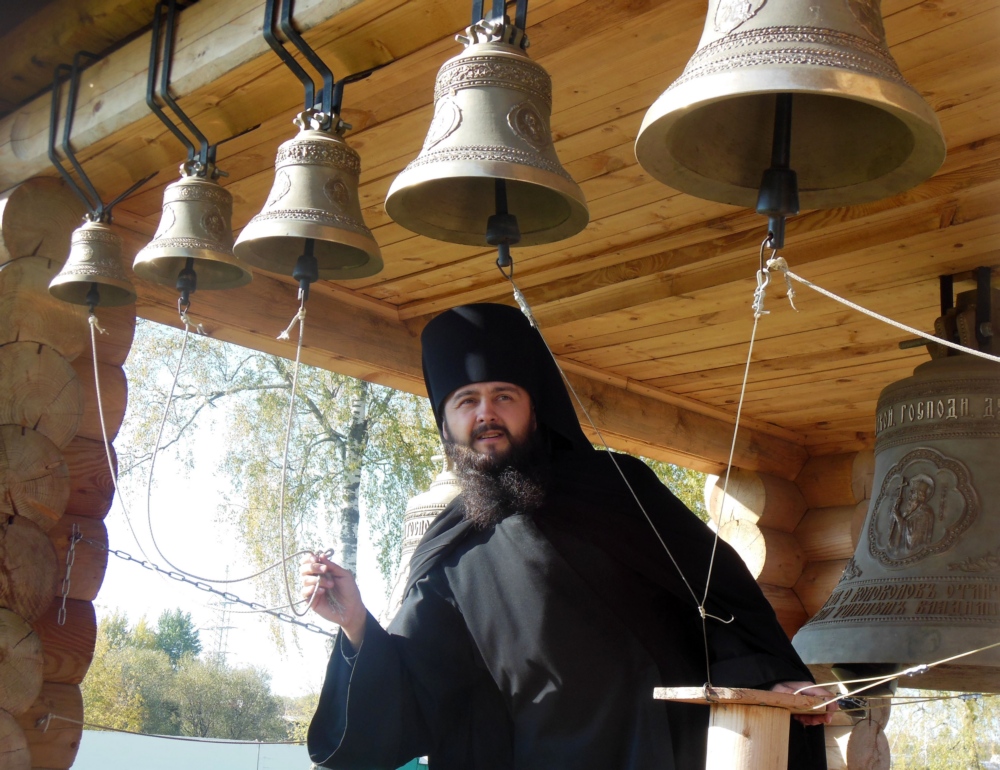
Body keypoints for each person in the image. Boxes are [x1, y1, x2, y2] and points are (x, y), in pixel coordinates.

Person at [302, 303, 834, 770]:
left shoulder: (620, 489)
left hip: (670, 750)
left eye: (503, 395)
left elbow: (717, 601)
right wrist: (354, 624)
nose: (486, 413)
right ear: (445, 422)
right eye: (466, 400)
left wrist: (765, 681)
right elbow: (417, 692)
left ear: (536, 407)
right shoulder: (451, 553)